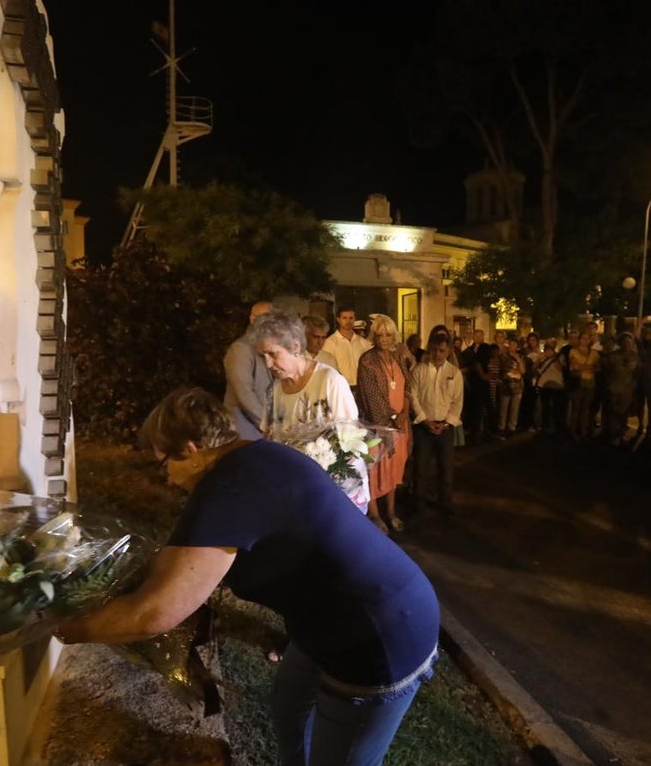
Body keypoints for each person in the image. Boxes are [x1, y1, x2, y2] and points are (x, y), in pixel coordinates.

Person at [54, 387, 440, 766]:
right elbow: (183, 564)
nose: (166, 478)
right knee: (289, 708)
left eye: (163, 463)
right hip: (336, 617)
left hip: (377, 635)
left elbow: (155, 613)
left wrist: (72, 628)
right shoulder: (255, 456)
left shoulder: (226, 490)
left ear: (189, 450)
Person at [252, 309, 369, 512]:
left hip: (336, 498)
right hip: (295, 494)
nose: (267, 364)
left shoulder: (329, 381)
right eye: (263, 356)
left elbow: (352, 445)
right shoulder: (275, 390)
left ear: (296, 347)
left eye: (273, 354)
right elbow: (269, 436)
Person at [356, 315, 412, 534]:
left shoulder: (398, 357)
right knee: (374, 470)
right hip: (378, 426)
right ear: (373, 336)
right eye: (379, 335)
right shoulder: (367, 360)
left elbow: (407, 386)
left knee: (394, 471)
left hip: (401, 425)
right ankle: (375, 515)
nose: (384, 339)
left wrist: (405, 413)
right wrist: (393, 418)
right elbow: (372, 398)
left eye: (388, 334)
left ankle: (390, 512)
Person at [408, 335, 464, 520]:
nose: (438, 354)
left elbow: (457, 401)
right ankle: (418, 503)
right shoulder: (419, 370)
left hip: (445, 428)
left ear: (448, 351)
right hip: (424, 427)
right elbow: (413, 397)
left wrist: (446, 423)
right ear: (429, 350)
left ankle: (445, 503)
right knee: (421, 468)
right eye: (434, 350)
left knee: (446, 469)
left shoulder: (454, 373)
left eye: (442, 350)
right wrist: (424, 421)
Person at [223, 301, 274, 440]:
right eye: (264, 318)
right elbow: (244, 392)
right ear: (252, 319)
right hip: (244, 429)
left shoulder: (269, 346)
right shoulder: (241, 348)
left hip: (263, 429)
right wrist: (266, 424)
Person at [603, 332, 640, 446]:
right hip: (613, 389)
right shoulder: (612, 356)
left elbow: (638, 374)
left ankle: (621, 435)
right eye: (624, 342)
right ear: (620, 343)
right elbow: (606, 372)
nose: (626, 344)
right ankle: (611, 434)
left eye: (629, 342)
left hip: (627, 390)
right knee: (612, 413)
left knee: (623, 414)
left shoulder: (636, 357)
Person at [321, 306, 372, 388]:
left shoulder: (364, 343)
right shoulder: (330, 343)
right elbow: (328, 368)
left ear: (355, 319)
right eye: (344, 318)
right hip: (341, 387)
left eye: (351, 318)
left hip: (362, 387)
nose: (348, 321)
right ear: (338, 320)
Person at [567, 331, 600, 442]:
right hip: (578, 383)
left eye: (587, 338)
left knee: (585, 409)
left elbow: (598, 368)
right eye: (583, 338)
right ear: (579, 339)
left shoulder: (594, 353)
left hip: (590, 383)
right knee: (576, 408)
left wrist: (582, 367)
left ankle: (582, 431)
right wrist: (590, 367)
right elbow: (575, 366)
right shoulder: (573, 351)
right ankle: (573, 431)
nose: (585, 340)